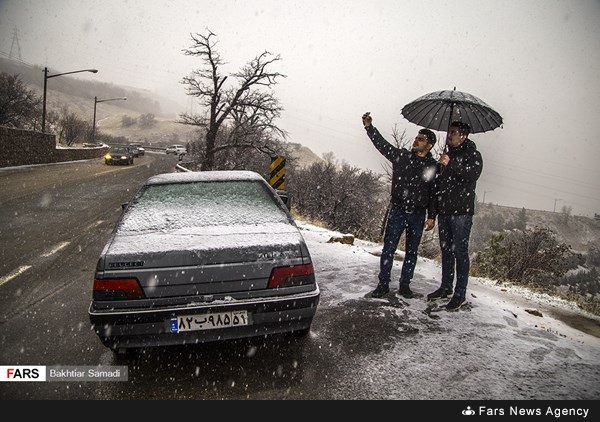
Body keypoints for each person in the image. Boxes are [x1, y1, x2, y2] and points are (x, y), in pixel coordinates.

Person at [362, 112, 438, 299]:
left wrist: (431, 216)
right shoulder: (402, 157)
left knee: (411, 252)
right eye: (416, 138)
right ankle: (383, 285)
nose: (416, 141)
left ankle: (405, 286)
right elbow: (382, 146)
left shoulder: (433, 166)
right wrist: (370, 128)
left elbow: (434, 194)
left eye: (421, 139)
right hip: (398, 210)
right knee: (388, 248)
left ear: (429, 145)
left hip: (418, 214)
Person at [427, 121, 483, 310]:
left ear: (463, 136)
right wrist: (433, 213)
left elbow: (471, 176)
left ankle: (460, 294)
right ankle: (445, 287)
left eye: (453, 132)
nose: (449, 135)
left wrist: (450, 165)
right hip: (444, 211)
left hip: (461, 213)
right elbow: (437, 186)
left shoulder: (473, 155)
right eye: (449, 132)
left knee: (460, 252)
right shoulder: (446, 155)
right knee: (446, 251)